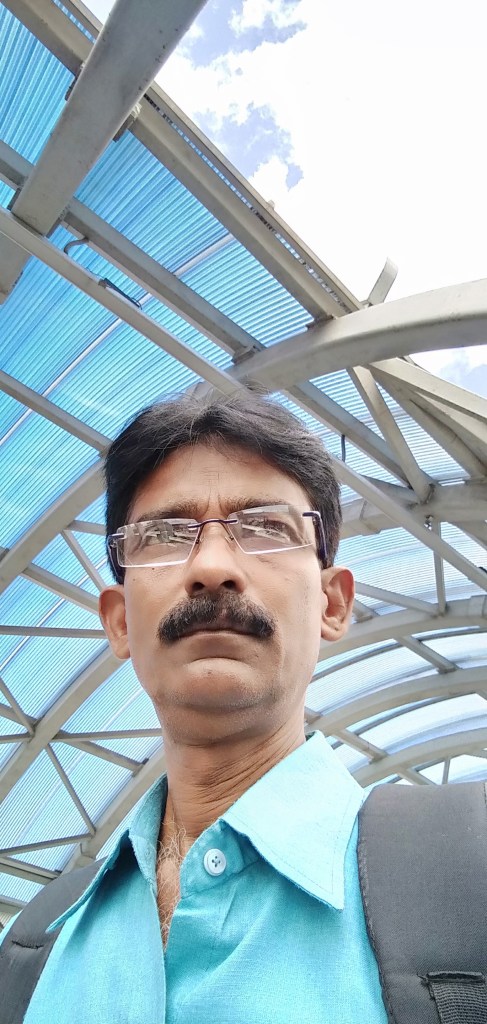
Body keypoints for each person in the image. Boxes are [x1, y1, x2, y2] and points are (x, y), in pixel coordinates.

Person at [3, 387, 388, 1022]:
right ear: (119, 622)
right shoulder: (33, 950)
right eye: (164, 534)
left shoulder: (459, 887)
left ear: (333, 604)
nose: (211, 566)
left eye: (265, 527)